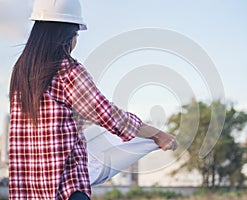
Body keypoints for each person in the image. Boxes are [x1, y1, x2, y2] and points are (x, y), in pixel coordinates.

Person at [8, 0, 178, 199]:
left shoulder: (20, 72)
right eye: (76, 35)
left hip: (26, 192)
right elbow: (111, 116)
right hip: (65, 190)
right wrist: (158, 135)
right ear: (66, 35)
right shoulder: (67, 71)